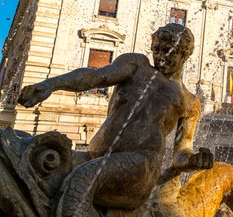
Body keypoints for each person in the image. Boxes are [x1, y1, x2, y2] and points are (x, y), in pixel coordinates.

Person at [18, 23, 213, 216]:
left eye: (169, 52)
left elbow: (181, 153)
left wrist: (193, 160)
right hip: (96, 157)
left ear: (185, 55)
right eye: (157, 50)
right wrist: (51, 84)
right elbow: (95, 77)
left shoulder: (189, 101)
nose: (161, 57)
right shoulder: (137, 65)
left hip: (141, 166)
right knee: (36, 156)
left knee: (82, 179)